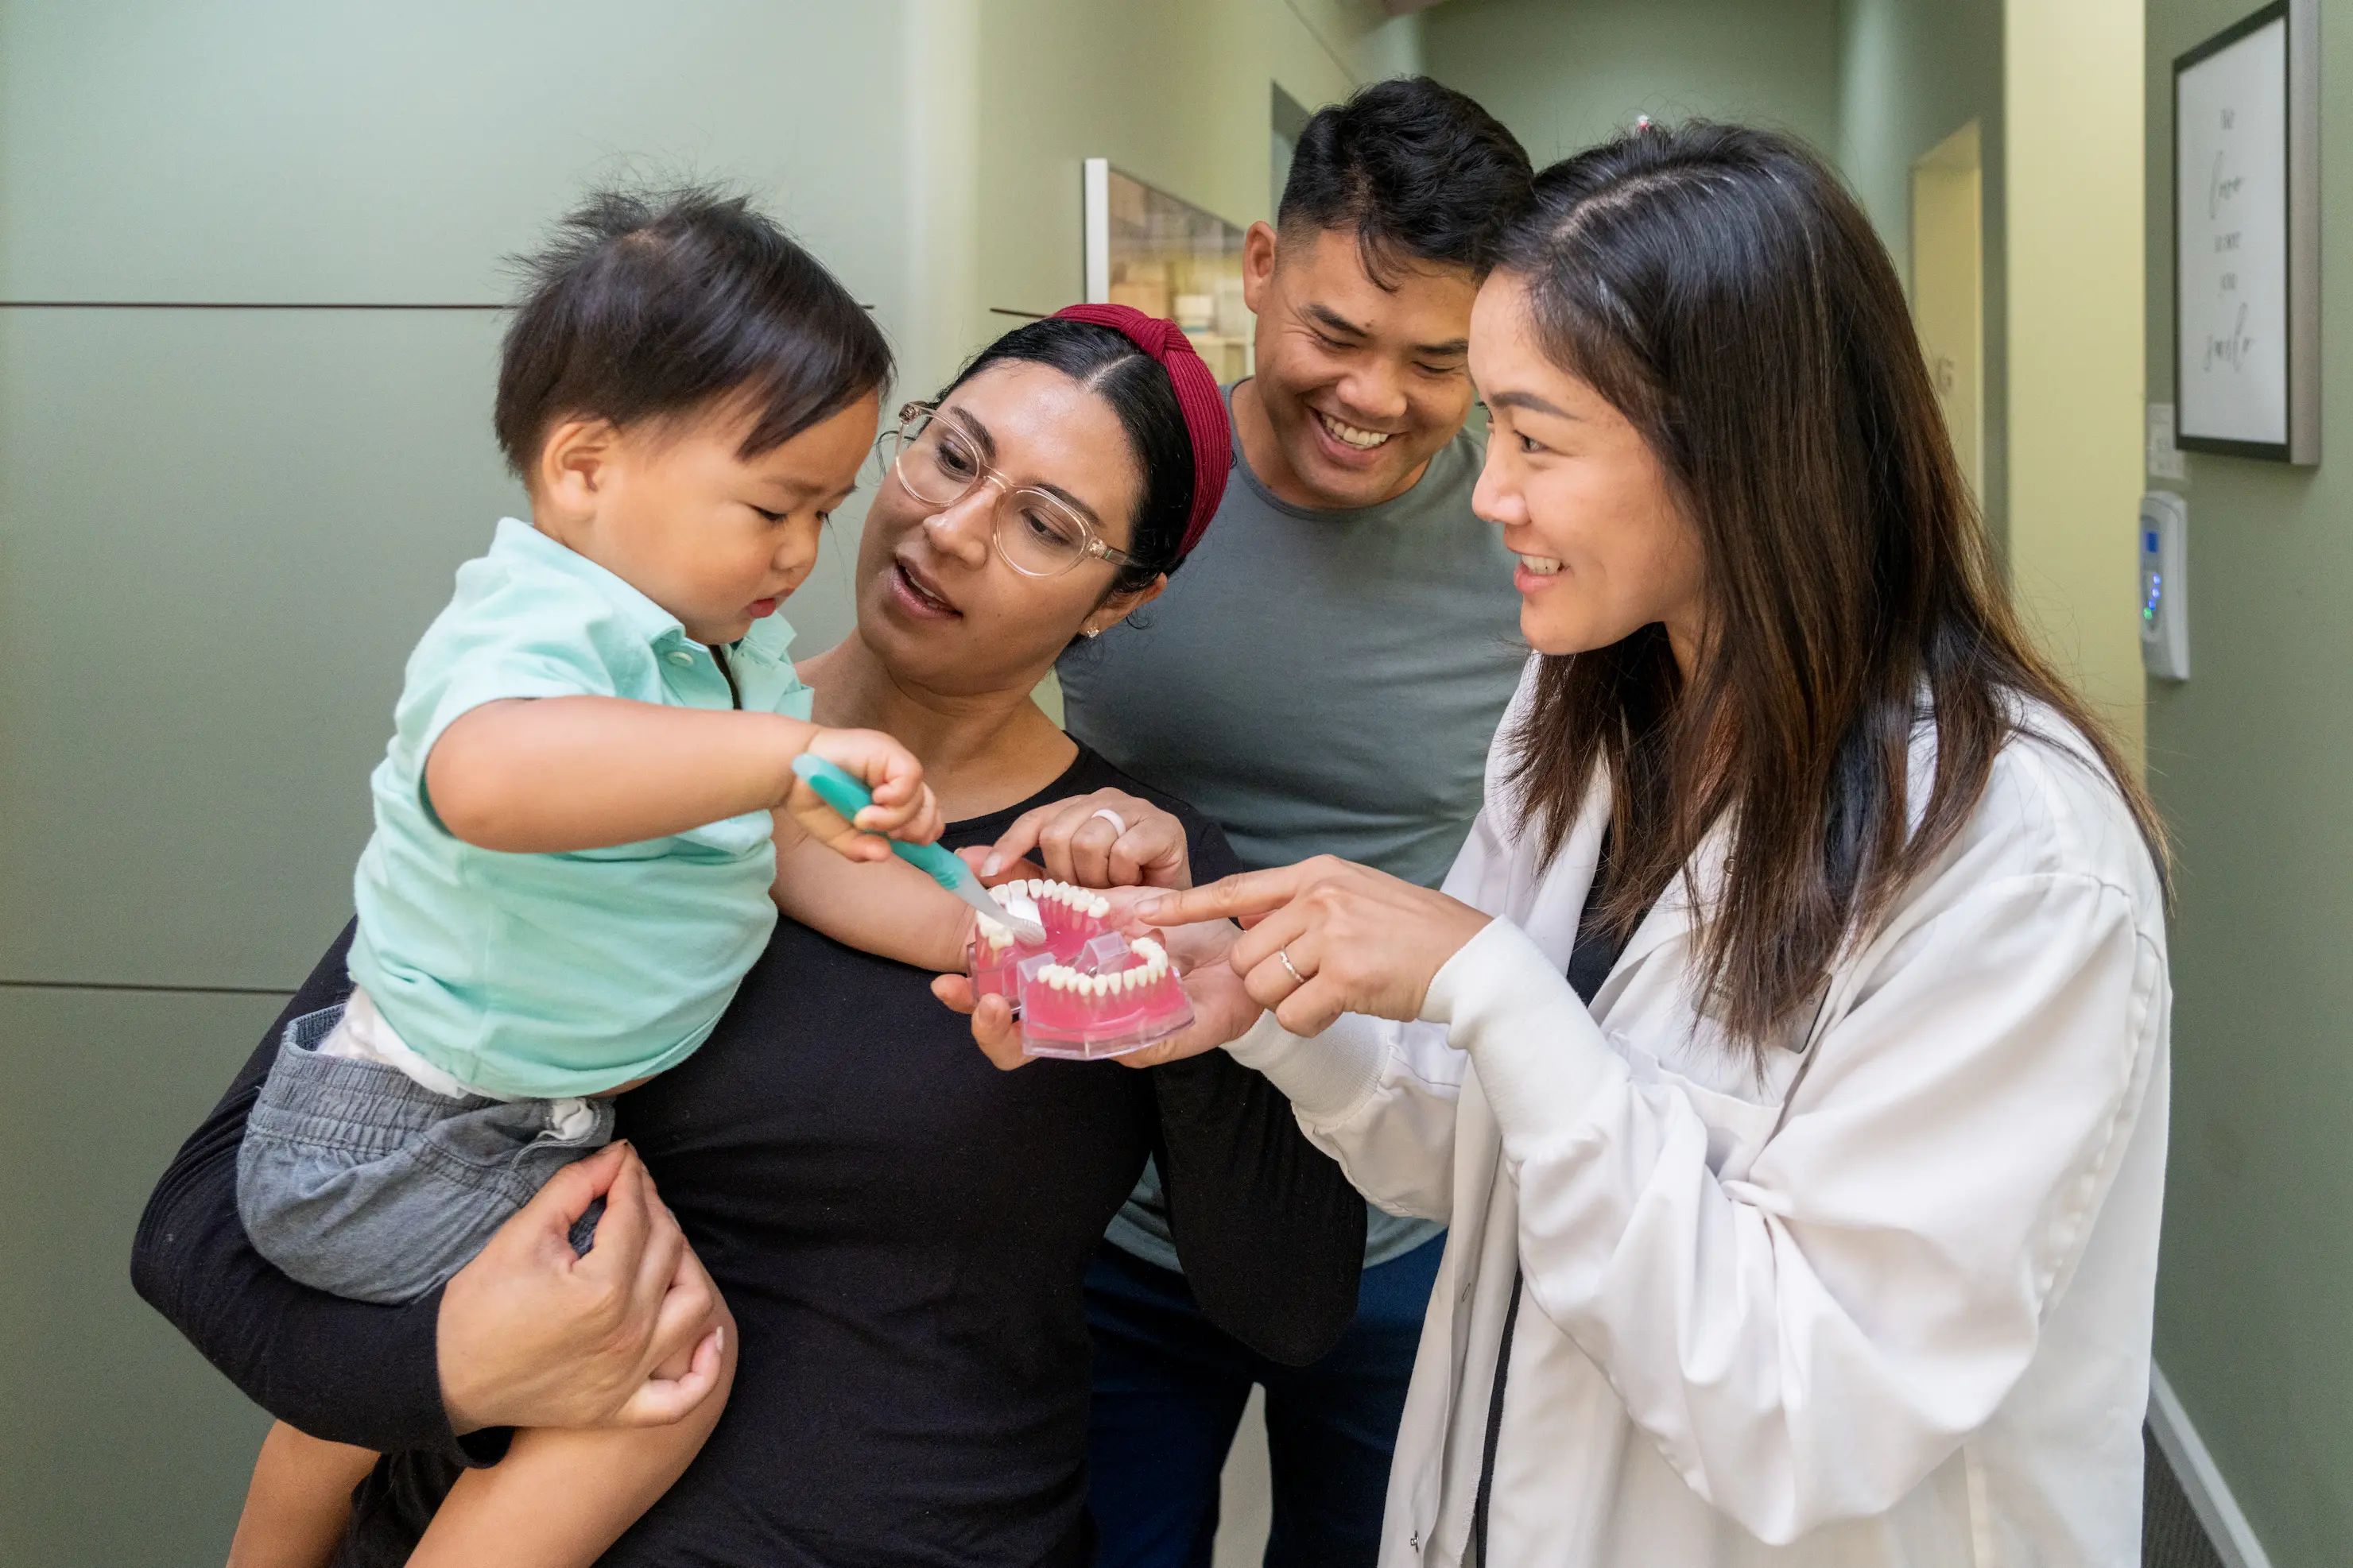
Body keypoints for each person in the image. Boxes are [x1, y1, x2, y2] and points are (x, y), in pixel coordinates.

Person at [1049, 125, 2175, 1566]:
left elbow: (1805, 1411)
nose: (1486, 492)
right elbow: (1458, 1139)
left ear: (1737, 456)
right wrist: (1262, 996)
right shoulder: (1593, 702)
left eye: (1534, 437)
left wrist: (1492, 986)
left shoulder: (2016, 862)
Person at [134, 302, 1366, 1568]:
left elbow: (1291, 1308)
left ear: (1124, 598)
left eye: (1045, 525)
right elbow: (197, 1234)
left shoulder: (1130, 878)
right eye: (950, 455)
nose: (952, 528)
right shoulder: (626, 732)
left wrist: (1173, 996)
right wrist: (441, 1363)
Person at [225, 186, 952, 1568]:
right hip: (407, 1130)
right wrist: (782, 754)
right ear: (584, 468)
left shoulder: (727, 655)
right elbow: (491, 781)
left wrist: (965, 937)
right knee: (670, 1364)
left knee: (359, 1399)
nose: (803, 552)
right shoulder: (537, 626)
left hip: (520, 1125)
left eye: (826, 509)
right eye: (773, 506)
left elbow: (788, 860)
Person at [1052, 76, 1532, 1567]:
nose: (1374, 395)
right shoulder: (1126, 484)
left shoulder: (1528, 547)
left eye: (1436, 361)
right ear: (1260, 269)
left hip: (1404, 1216)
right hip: (1115, 1195)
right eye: (1337, 333)